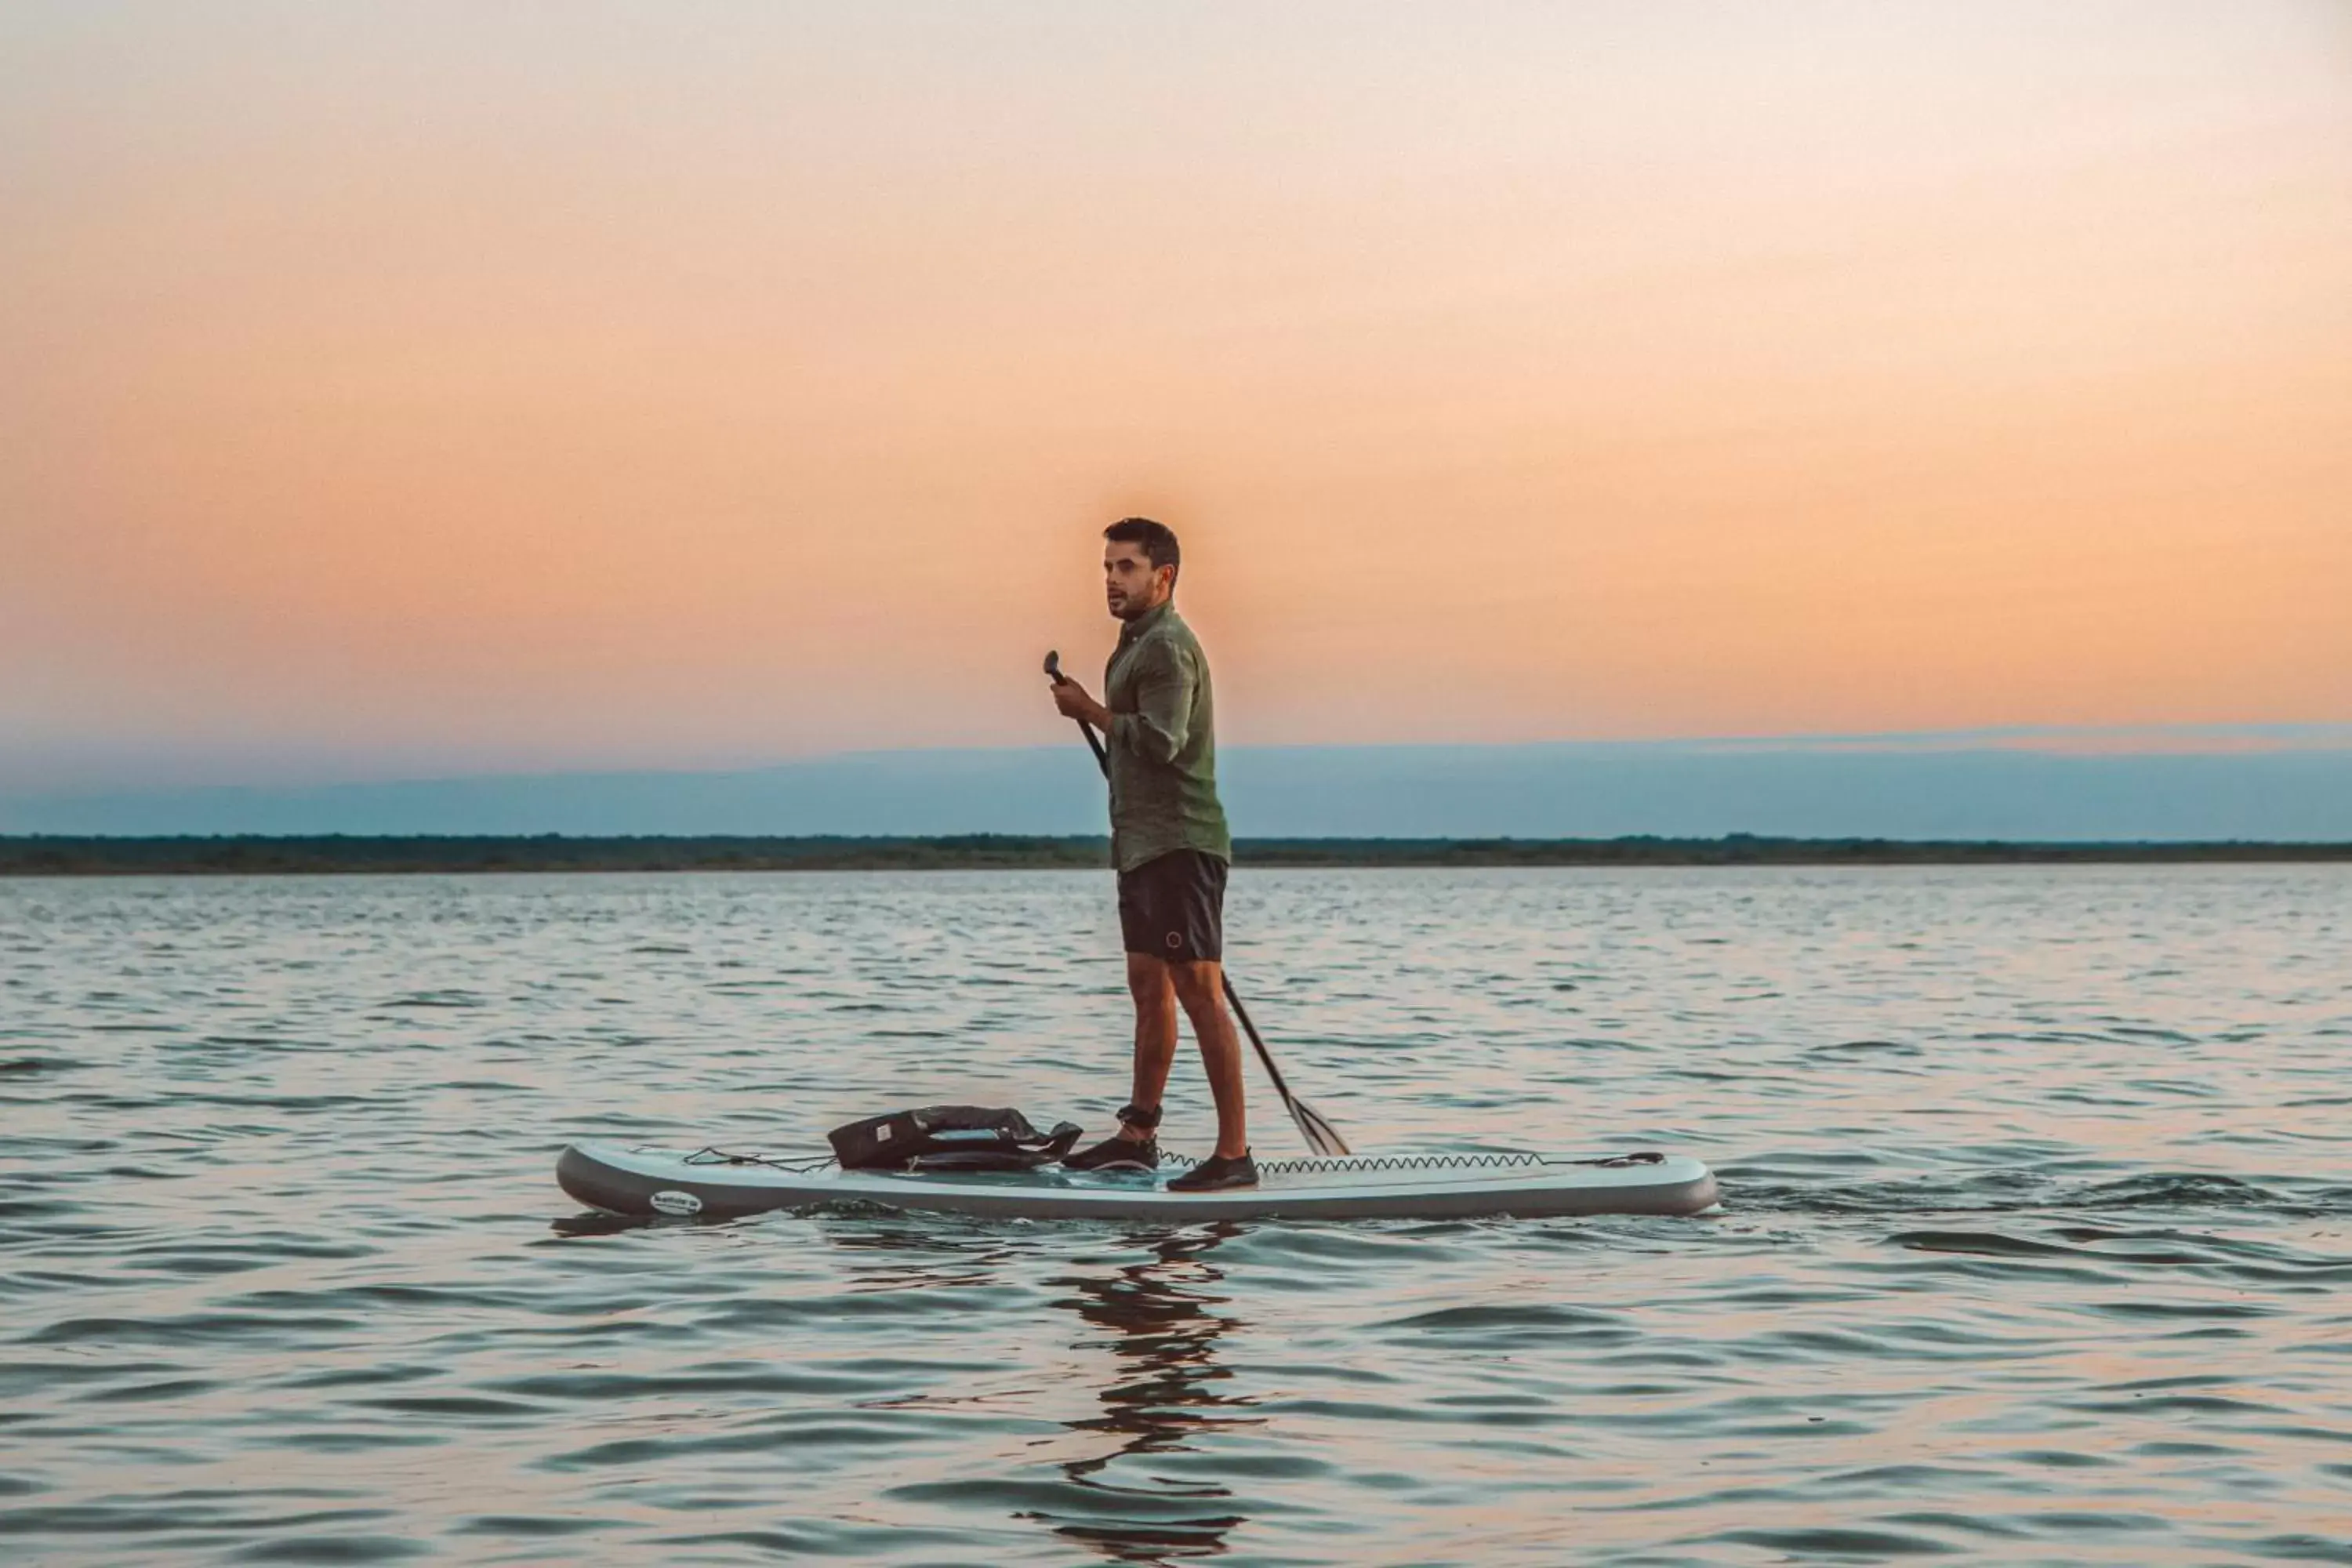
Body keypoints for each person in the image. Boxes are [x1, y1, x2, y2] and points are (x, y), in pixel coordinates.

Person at [1047, 517, 1256, 1192]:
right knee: (1148, 988)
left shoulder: (1166, 647)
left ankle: (1234, 1156)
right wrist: (1094, 712)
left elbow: (1163, 741)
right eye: (1107, 567)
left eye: (1126, 567)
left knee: (1199, 991)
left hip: (1181, 843)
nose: (1111, 579)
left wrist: (1089, 711)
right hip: (1140, 847)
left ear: (1163, 576)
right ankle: (1137, 1137)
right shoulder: (1132, 647)